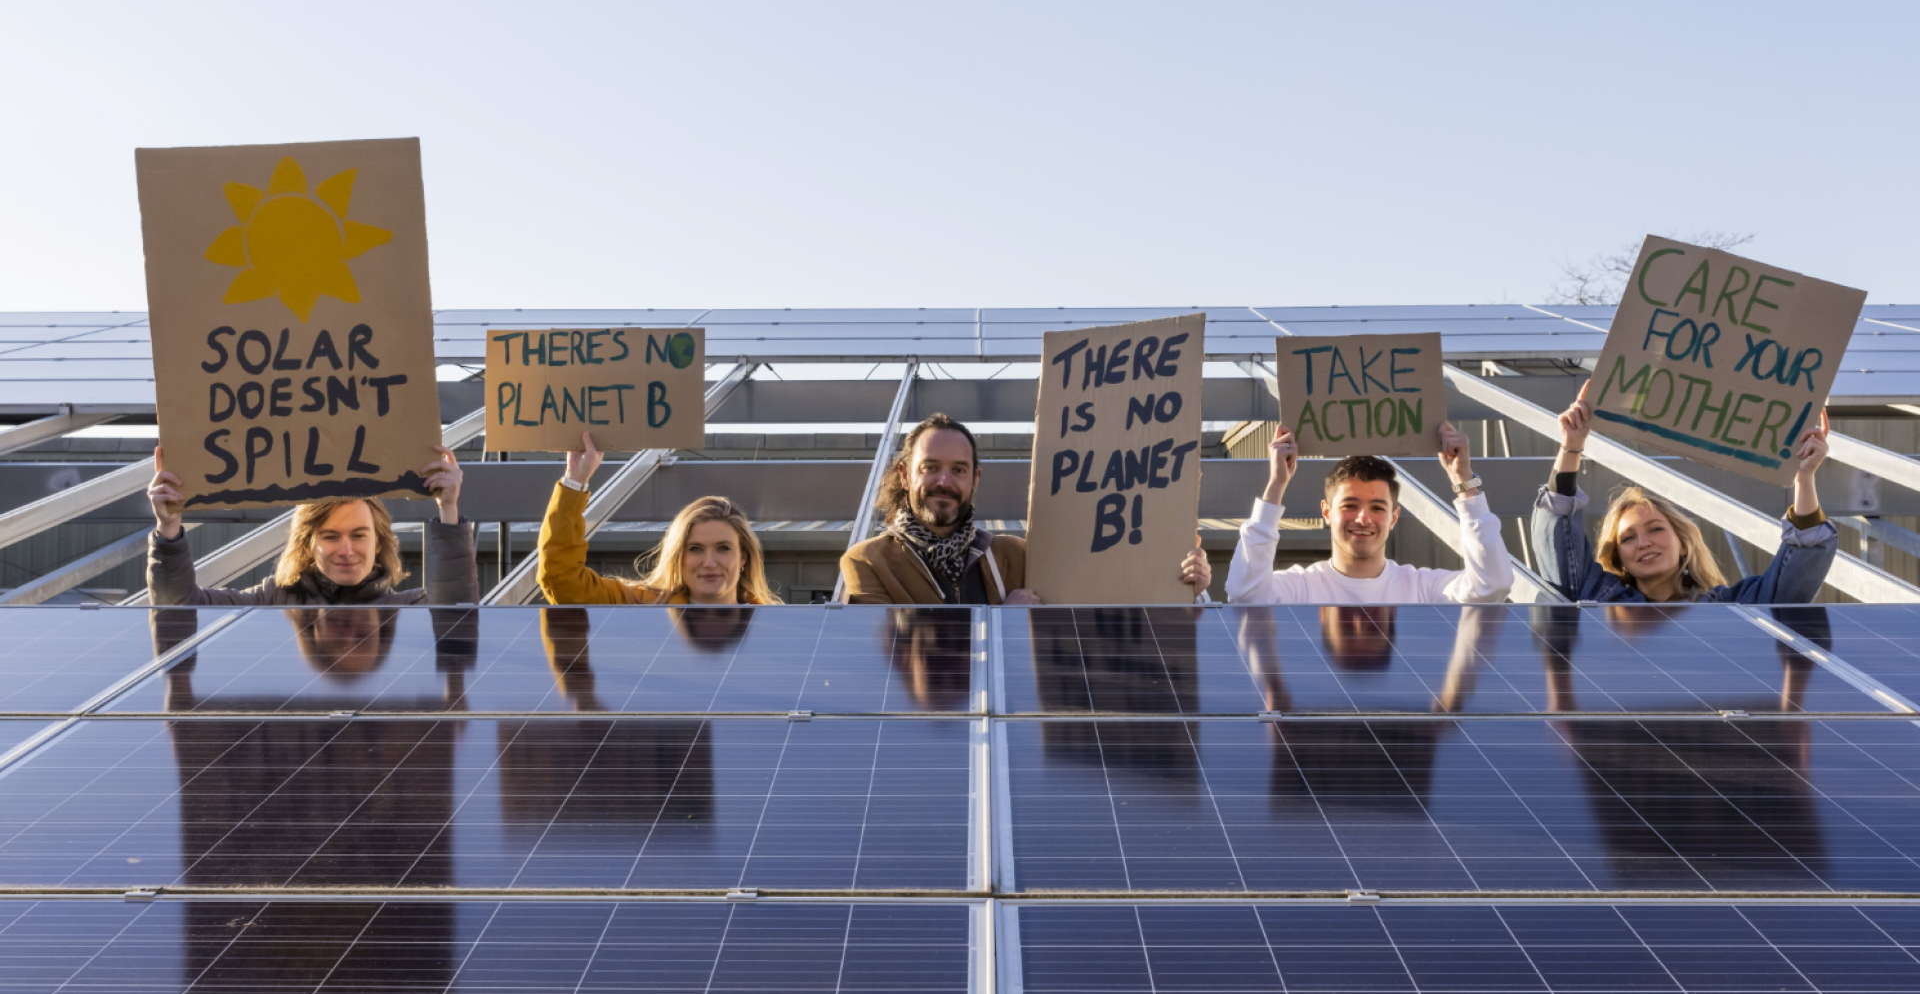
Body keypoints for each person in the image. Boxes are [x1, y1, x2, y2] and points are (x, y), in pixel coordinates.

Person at [839, 413, 1211, 604]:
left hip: (1008, 733)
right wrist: (1001, 625)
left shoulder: (1013, 555)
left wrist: (1180, 582)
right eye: (930, 467)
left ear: (975, 479)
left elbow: (1099, 597)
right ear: (905, 475)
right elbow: (894, 656)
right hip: (915, 732)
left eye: (959, 470)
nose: (944, 482)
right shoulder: (867, 562)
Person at [1532, 381, 1837, 603]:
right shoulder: (1596, 599)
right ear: (1619, 558)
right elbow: (1558, 536)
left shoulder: (1734, 610)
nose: (1644, 543)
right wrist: (1571, 447)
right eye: (1627, 538)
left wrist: (1803, 476)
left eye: (1655, 529)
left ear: (1683, 544)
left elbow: (1799, 569)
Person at [146, 444, 478, 605]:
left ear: (379, 543)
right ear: (308, 544)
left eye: (359, 535)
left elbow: (455, 609)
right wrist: (169, 528)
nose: (346, 550)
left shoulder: (407, 610)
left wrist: (448, 509)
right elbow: (179, 609)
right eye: (330, 536)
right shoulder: (272, 602)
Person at [1226, 422, 1513, 604]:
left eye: (1377, 508)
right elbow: (1244, 594)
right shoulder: (1301, 588)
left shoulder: (1422, 589)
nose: (1363, 519)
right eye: (1349, 505)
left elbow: (1492, 586)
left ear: (1394, 517)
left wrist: (1464, 482)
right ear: (1326, 512)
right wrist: (1276, 484)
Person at [537, 431, 781, 604]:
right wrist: (575, 481)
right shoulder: (642, 607)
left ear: (743, 558)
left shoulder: (779, 627)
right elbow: (562, 579)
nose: (709, 562)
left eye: (723, 548)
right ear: (678, 556)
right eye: (695, 549)